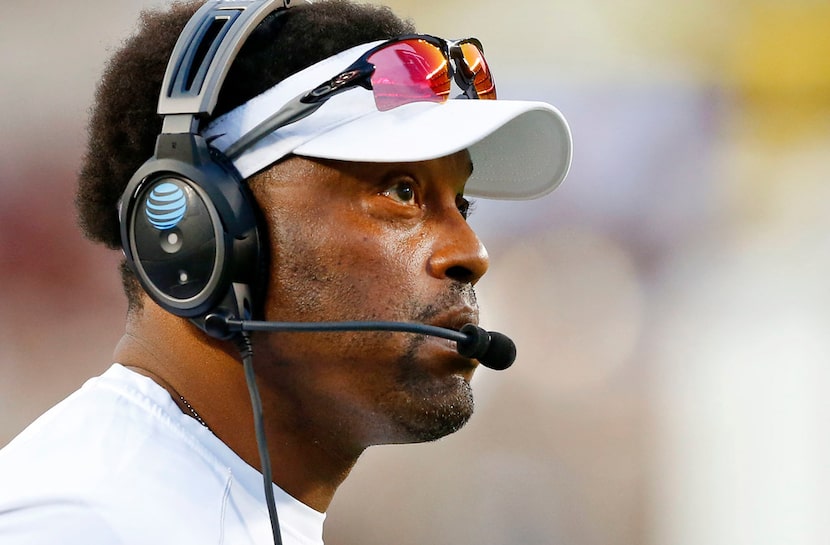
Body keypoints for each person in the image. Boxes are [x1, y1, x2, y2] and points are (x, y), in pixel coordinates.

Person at [0, 0, 571, 543]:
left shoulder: (178, 506)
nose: (471, 252)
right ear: (202, 233)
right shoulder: (79, 523)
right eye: (401, 191)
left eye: (462, 205)